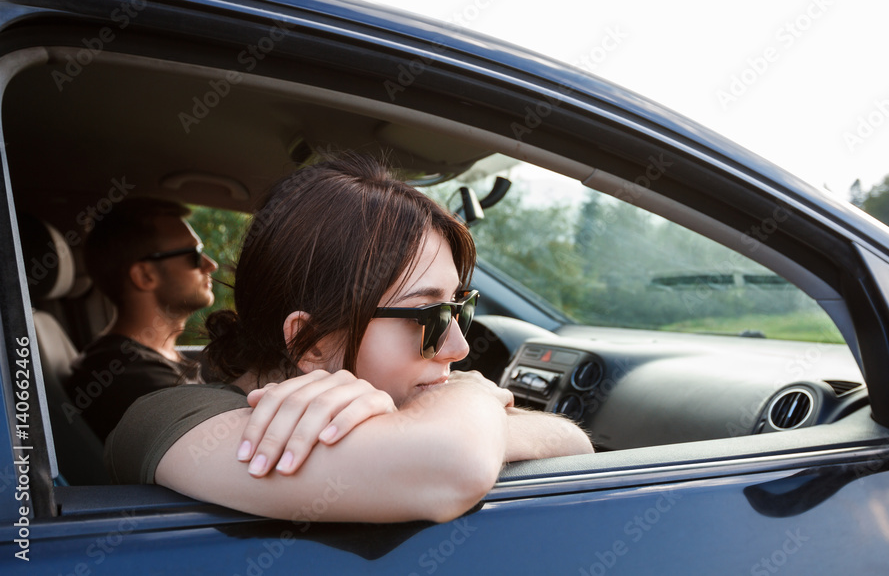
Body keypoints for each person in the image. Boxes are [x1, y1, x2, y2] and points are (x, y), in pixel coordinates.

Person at [106, 154, 593, 524]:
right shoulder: (168, 418)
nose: (458, 348)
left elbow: (573, 443)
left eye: (459, 308)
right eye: (425, 314)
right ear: (312, 341)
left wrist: (476, 422)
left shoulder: (389, 394)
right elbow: (453, 468)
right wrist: (473, 396)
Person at [65, 198, 218, 441]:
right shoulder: (129, 378)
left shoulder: (149, 361)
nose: (211, 265)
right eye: (194, 255)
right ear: (145, 275)